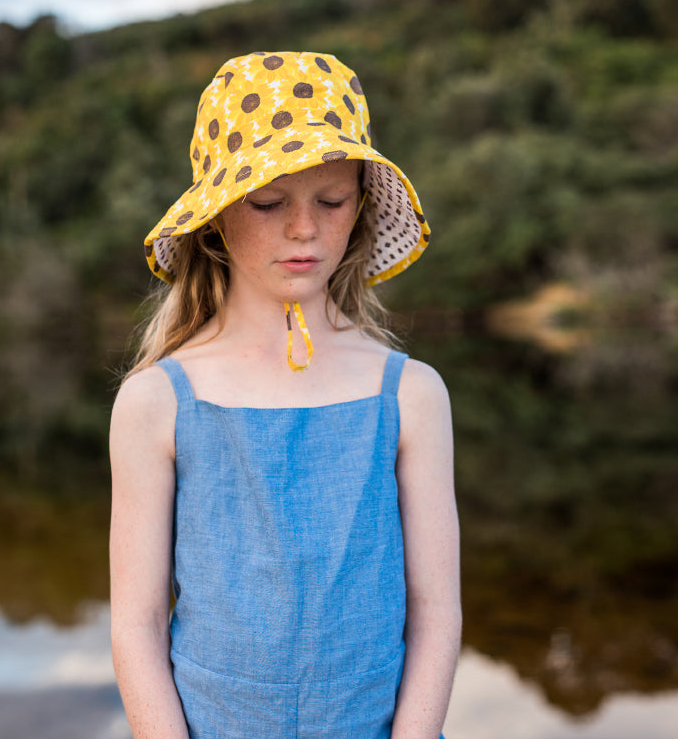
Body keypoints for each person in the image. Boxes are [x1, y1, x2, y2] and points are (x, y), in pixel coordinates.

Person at [109, 50, 461, 739]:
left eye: (330, 201)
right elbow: (137, 623)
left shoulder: (410, 393)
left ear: (359, 206)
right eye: (269, 202)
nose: (304, 229)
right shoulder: (157, 401)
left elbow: (436, 609)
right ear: (215, 215)